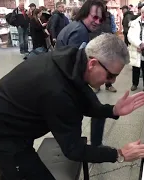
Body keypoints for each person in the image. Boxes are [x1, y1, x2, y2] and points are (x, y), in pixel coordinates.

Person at [0, 33, 144, 180]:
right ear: (92, 63)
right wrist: (119, 154)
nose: (113, 81)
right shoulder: (58, 92)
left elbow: (82, 101)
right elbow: (73, 150)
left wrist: (112, 110)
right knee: (21, 169)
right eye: (110, 76)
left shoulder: (72, 59)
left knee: (16, 170)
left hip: (14, 121)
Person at [56, 0, 116, 148]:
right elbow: (72, 63)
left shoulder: (74, 26)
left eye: (100, 19)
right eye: (94, 17)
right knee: (98, 111)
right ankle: (94, 145)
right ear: (84, 13)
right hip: (67, 81)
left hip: (62, 78)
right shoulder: (80, 31)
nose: (97, 22)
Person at [89, 1, 118, 93]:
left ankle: (108, 85)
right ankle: (97, 85)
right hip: (96, 42)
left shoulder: (109, 15)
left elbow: (113, 28)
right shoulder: (93, 15)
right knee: (97, 65)